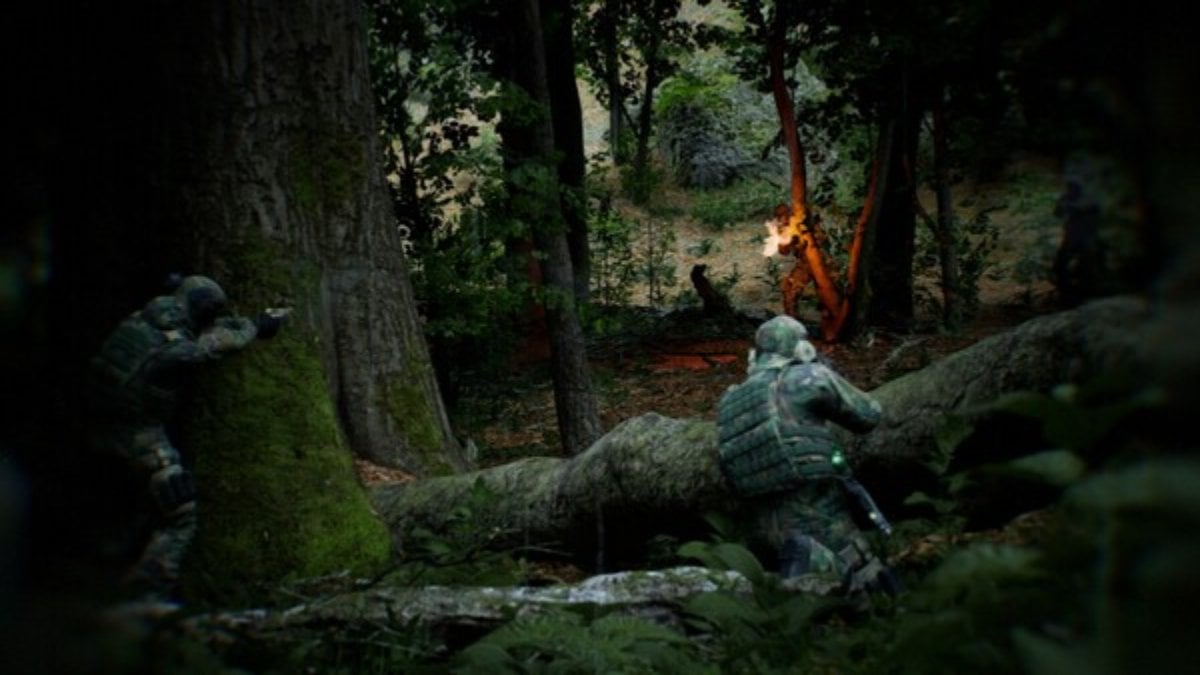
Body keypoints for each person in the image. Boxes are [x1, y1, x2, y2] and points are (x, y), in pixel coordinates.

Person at [88, 275, 284, 597]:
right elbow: (208, 348)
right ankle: (145, 594)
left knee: (132, 506)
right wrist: (256, 328)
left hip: (100, 430)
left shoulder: (142, 321)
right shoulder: (172, 343)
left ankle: (102, 576)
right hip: (139, 436)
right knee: (180, 512)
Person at [717, 315, 898, 594]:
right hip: (816, 512)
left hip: (758, 528)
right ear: (803, 348)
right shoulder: (808, 376)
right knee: (868, 575)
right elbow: (869, 415)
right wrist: (825, 373)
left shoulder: (730, 400)